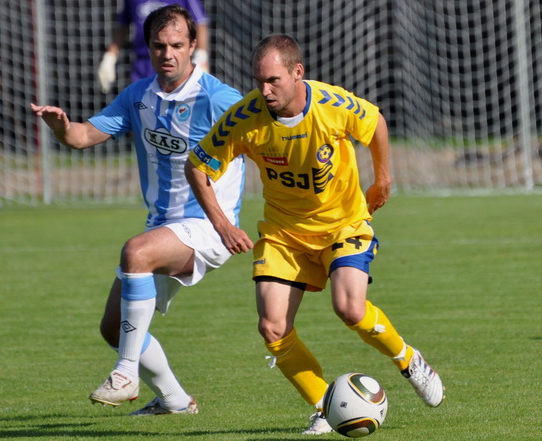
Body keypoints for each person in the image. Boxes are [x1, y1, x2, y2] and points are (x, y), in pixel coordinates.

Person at [185, 34, 445, 435]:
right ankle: (326, 406)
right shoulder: (244, 118)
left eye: (273, 80)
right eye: (259, 81)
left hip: (343, 224)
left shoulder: (331, 104)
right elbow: (197, 167)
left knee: (350, 309)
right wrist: (222, 224)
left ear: (297, 72)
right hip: (284, 234)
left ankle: (409, 360)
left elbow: (375, 121)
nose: (265, 91)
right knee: (272, 327)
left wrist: (382, 179)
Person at [31, 5, 244, 416]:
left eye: (177, 45)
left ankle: (125, 374)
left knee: (136, 252)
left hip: (208, 226)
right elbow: (82, 137)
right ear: (147, 47)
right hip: (162, 226)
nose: (168, 54)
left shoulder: (219, 98)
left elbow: (267, 138)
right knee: (113, 327)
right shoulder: (137, 96)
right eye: (159, 46)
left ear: (193, 45)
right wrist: (61, 127)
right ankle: (175, 401)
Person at [98, 0, 210, 93]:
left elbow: (200, 24)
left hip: (173, 61)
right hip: (143, 63)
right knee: (140, 106)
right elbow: (123, 26)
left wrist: (201, 56)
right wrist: (110, 56)